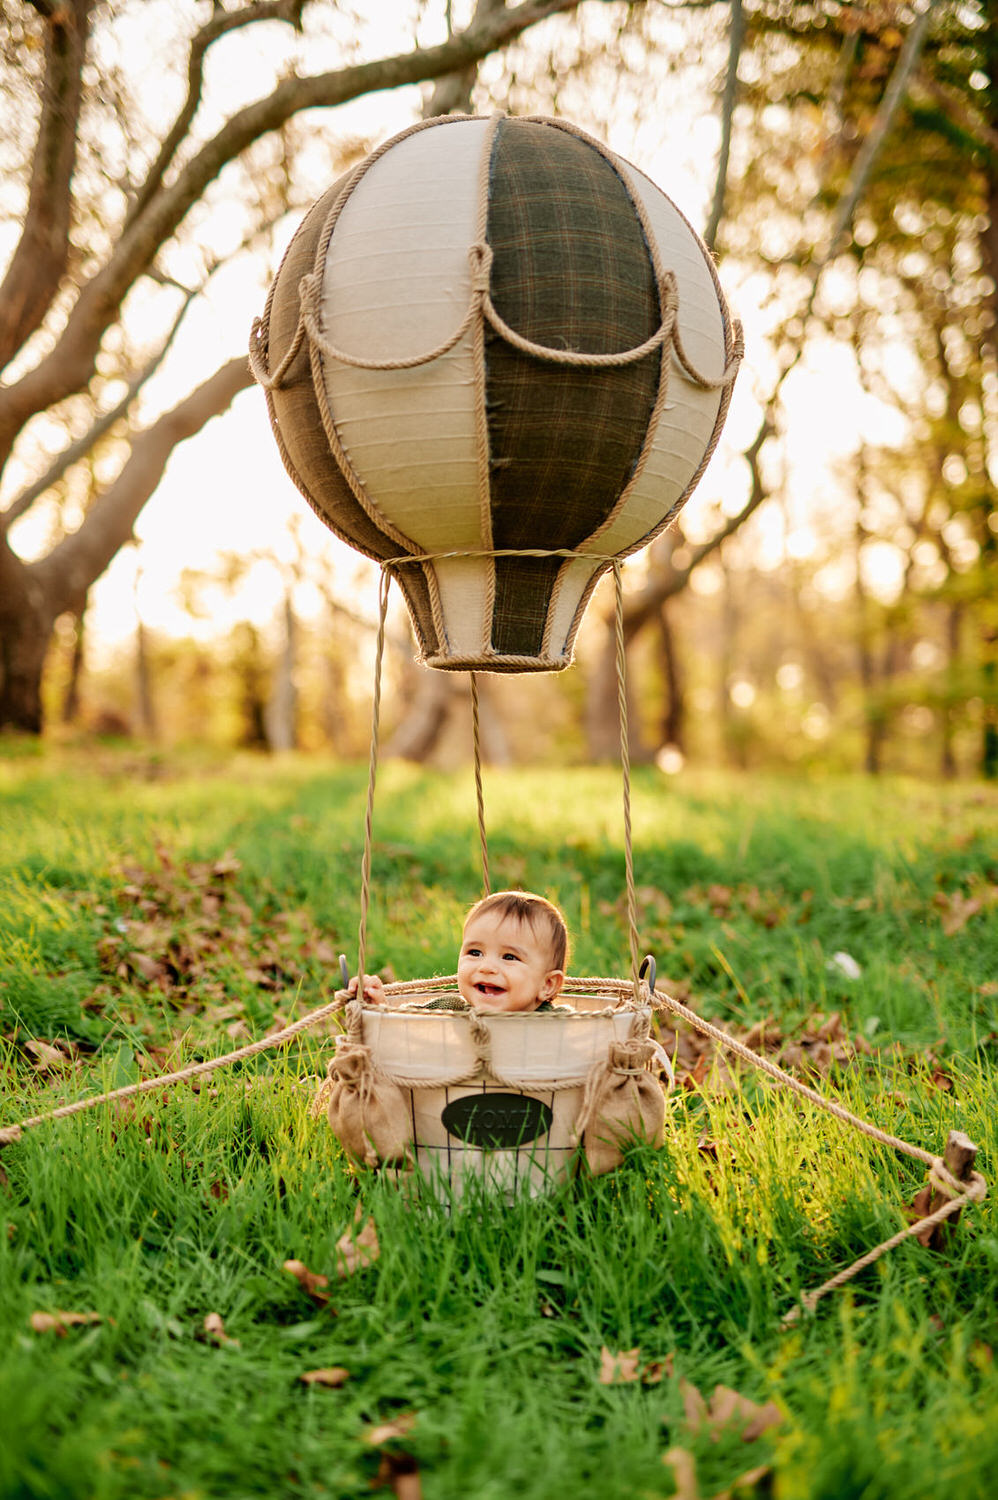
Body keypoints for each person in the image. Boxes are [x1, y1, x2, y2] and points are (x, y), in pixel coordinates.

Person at [338, 890, 571, 1013]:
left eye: (509, 957)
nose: (486, 967)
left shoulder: (558, 1025)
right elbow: (404, 1027)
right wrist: (377, 1005)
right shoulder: (451, 1009)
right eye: (475, 952)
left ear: (547, 985)